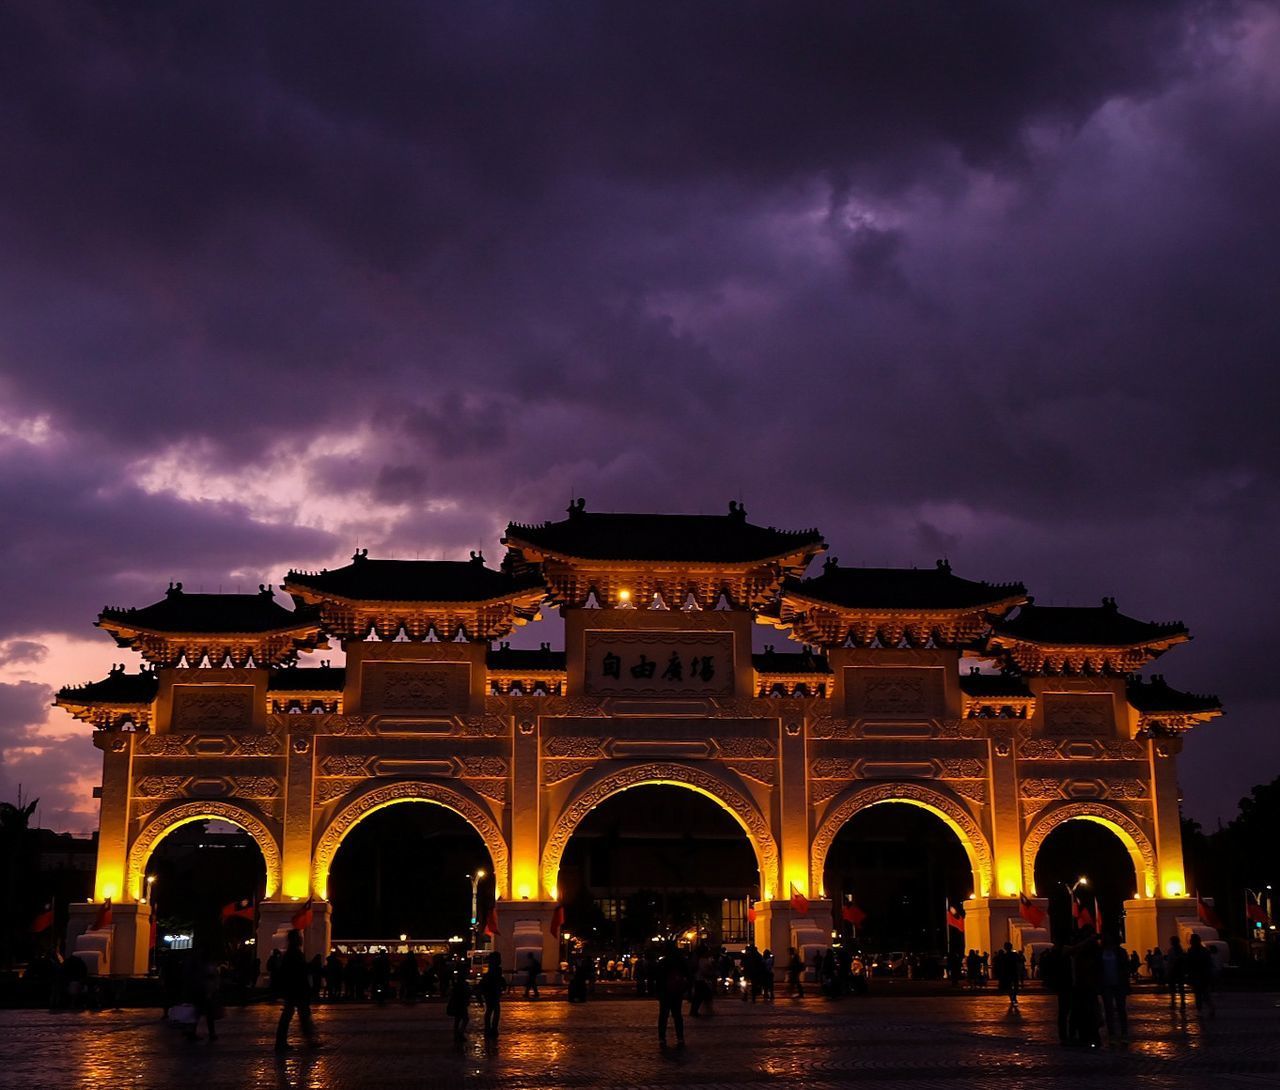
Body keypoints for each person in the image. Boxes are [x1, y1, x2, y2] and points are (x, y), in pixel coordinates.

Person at [275, 930, 320, 1052]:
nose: (301, 939)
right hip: (297, 990)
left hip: (292, 990)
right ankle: (308, 1040)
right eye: (299, 937)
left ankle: (282, 1042)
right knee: (301, 1015)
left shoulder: (290, 953)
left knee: (291, 1016)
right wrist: (311, 966)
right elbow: (300, 971)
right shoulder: (295, 954)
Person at [1068, 927, 1103, 1048]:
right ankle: (1081, 1036)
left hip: (1087, 985)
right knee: (1082, 1012)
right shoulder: (1079, 950)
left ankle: (1090, 1036)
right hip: (1080, 986)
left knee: (1089, 1012)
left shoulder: (1092, 951)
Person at [1037, 942, 1072, 1044]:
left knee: (1064, 1011)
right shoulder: (1064, 954)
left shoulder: (1055, 954)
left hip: (1063, 984)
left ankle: (1065, 1035)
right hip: (1066, 984)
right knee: (1066, 1010)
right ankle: (1068, 1034)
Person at [655, 943, 688, 1048]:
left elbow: (658, 978)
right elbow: (687, 974)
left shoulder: (663, 962)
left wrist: (658, 991)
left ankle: (662, 1038)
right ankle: (680, 1038)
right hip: (677, 991)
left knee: (663, 1016)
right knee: (677, 1015)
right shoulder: (680, 962)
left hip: (665, 991)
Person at [1099, 933, 1130, 1043]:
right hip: (1106, 984)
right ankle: (1112, 1034)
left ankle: (1124, 1033)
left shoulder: (1121, 952)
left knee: (1121, 1009)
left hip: (1118, 984)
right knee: (1109, 1010)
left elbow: (1125, 968)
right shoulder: (1100, 952)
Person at [1186, 933, 1216, 1017]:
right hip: (1204, 974)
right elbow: (1209, 963)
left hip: (1197, 974)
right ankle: (1211, 1008)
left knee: (1198, 994)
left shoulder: (1191, 951)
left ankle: (1200, 1010)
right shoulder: (1204, 950)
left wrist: (1189, 974)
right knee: (1205, 994)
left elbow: (1189, 964)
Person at [478, 951, 506, 1038]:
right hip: (493, 991)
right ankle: (492, 1029)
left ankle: (489, 1028)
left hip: (490, 992)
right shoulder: (495, 969)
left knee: (490, 1010)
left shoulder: (493, 968)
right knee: (494, 1010)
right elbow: (497, 979)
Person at [994, 941, 1024, 1009]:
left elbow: (1001, 965)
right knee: (1015, 986)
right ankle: (1014, 997)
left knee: (1009, 987)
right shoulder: (1015, 954)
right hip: (1014, 972)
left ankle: (1012, 998)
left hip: (1007, 973)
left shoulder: (1004, 956)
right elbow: (1019, 961)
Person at [446, 967, 472, 1042]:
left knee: (457, 1020)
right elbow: (465, 994)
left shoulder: (457, 984)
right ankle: (460, 1033)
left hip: (458, 1003)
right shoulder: (462, 984)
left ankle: (457, 1034)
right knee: (465, 1019)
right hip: (461, 1004)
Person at [1166, 935, 1187, 1009]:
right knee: (1180, 988)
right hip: (1179, 971)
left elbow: (1170, 962)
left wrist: (1168, 970)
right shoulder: (1181, 950)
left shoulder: (1171, 950)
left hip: (1174, 971)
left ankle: (1173, 1002)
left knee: (1173, 988)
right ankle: (1182, 1002)